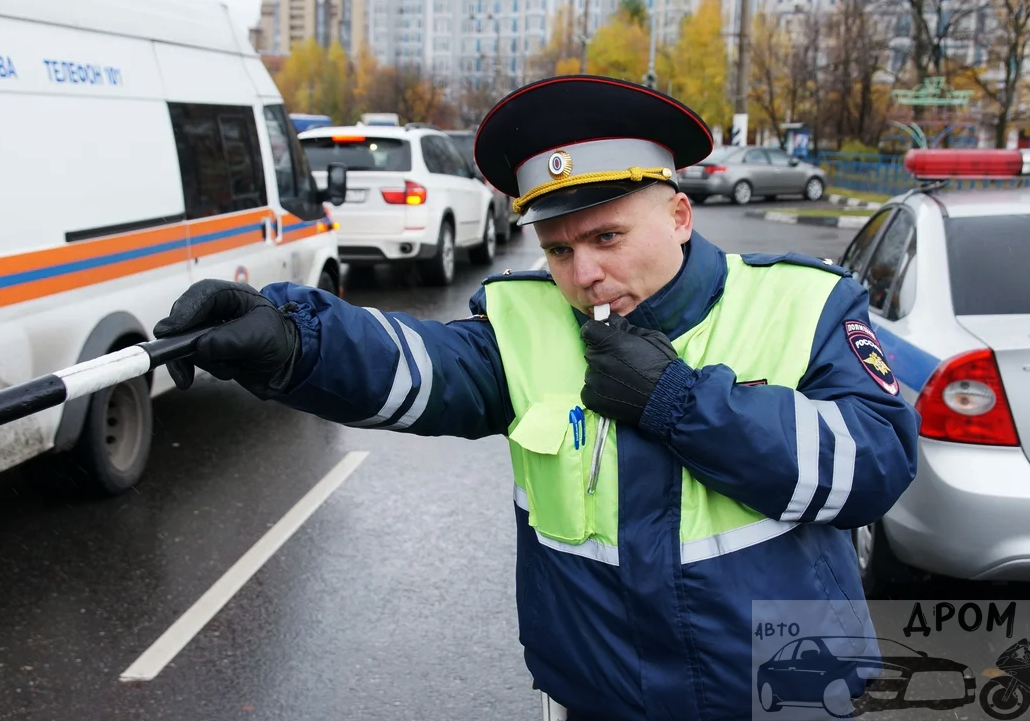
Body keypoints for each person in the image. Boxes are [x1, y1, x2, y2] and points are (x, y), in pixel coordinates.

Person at [154, 76, 920, 720]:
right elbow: (420, 366)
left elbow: (878, 461)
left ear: (679, 216)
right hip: (601, 700)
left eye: (608, 238)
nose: (582, 273)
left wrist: (682, 403)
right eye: (558, 248)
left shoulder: (803, 304)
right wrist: (292, 337)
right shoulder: (528, 321)